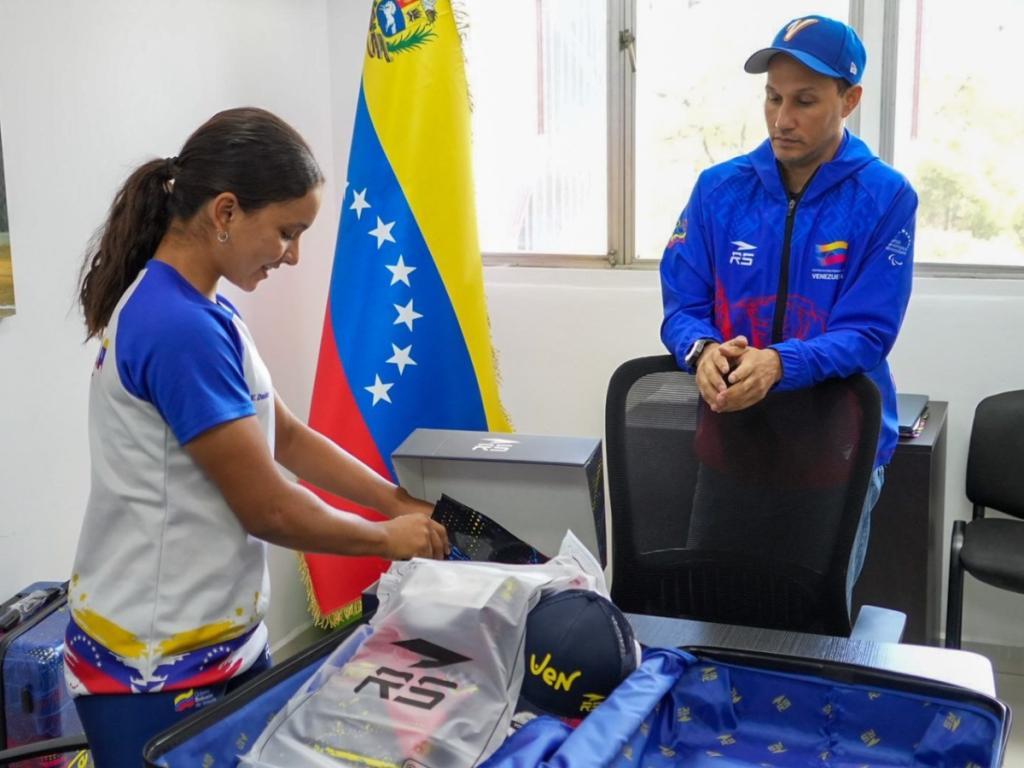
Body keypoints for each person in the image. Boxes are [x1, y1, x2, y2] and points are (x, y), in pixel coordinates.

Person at [65, 107, 449, 766]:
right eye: (286, 232)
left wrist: (391, 499)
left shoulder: (206, 309)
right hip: (154, 668)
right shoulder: (175, 326)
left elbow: (287, 438)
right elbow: (266, 505)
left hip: (218, 644)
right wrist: (387, 540)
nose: (293, 255)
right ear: (225, 212)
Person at [660, 16, 916, 600]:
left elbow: (868, 332)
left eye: (804, 101)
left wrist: (780, 363)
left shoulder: (885, 196)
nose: (782, 118)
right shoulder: (719, 189)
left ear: (849, 100)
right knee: (714, 624)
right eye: (773, 98)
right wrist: (700, 349)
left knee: (813, 638)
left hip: (835, 454)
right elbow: (682, 304)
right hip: (732, 448)